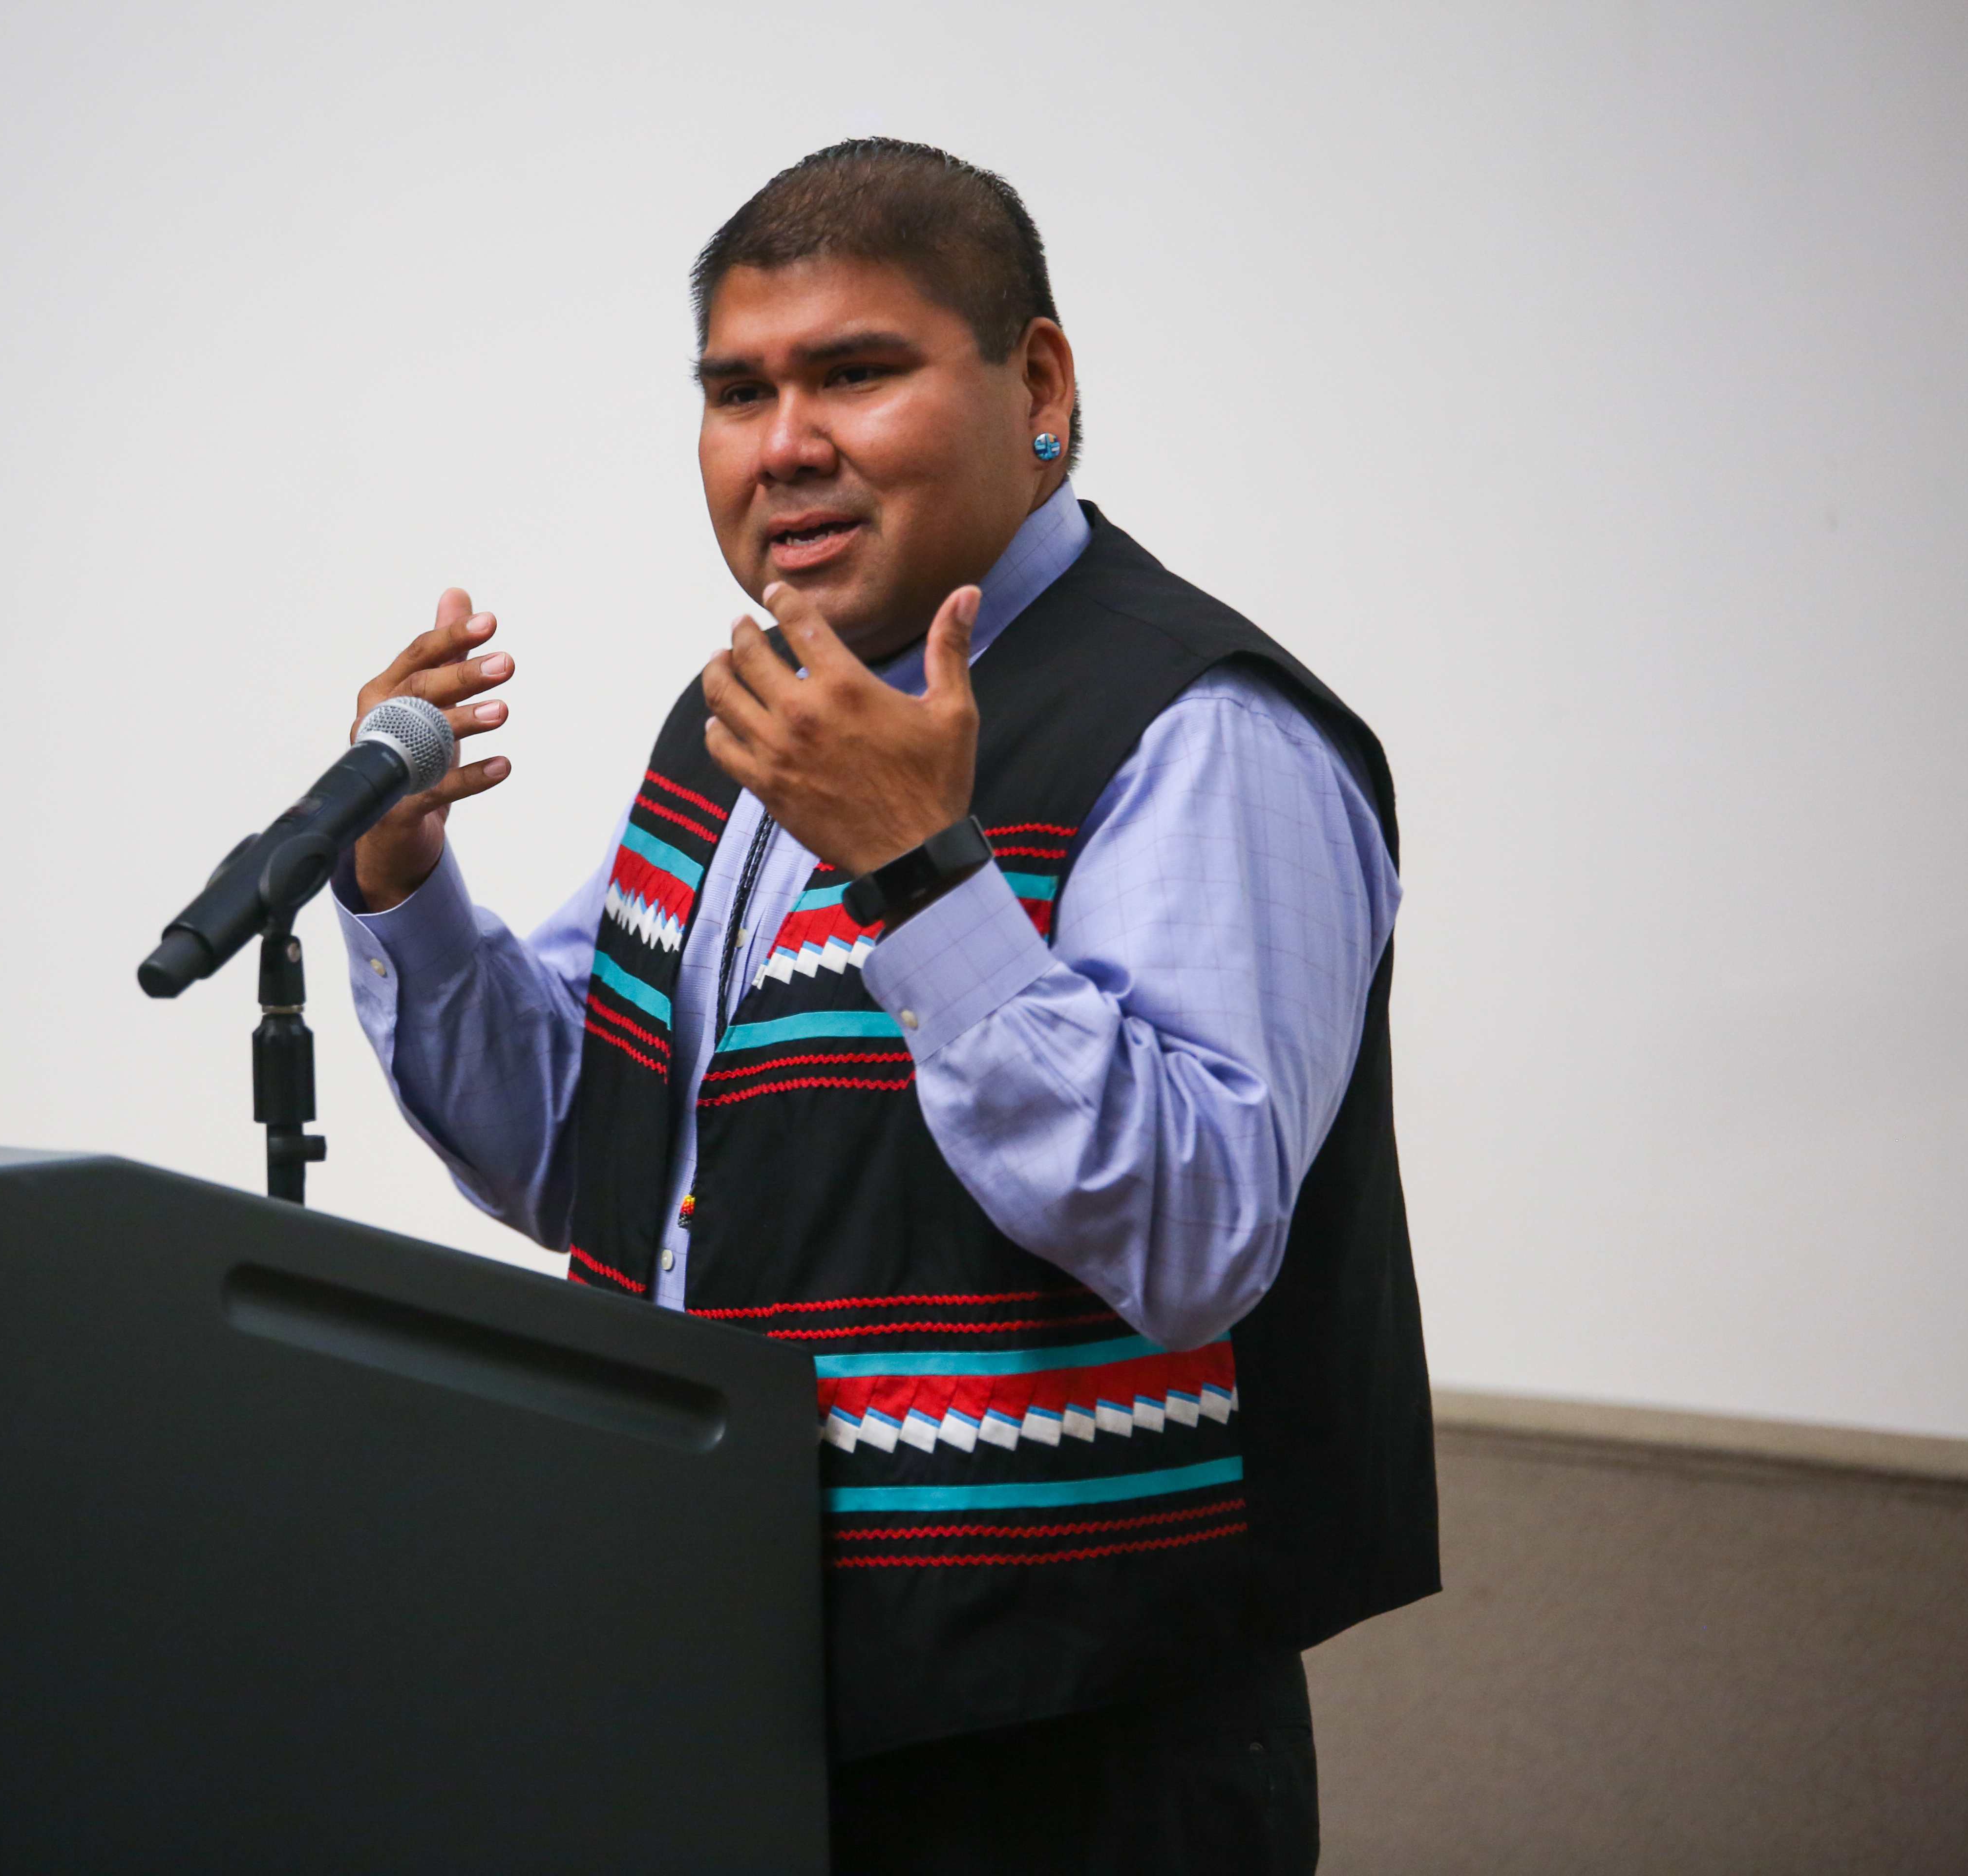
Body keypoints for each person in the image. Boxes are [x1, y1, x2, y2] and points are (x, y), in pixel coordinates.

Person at [333, 139, 1438, 1876]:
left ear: (1041, 386)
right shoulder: (746, 724)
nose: (786, 444)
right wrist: (405, 886)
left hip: (1055, 1752)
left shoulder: (1202, 728)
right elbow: (588, 1151)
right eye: (738, 389)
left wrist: (922, 874)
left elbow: (1203, 1232)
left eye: (857, 372)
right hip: (720, 1683)